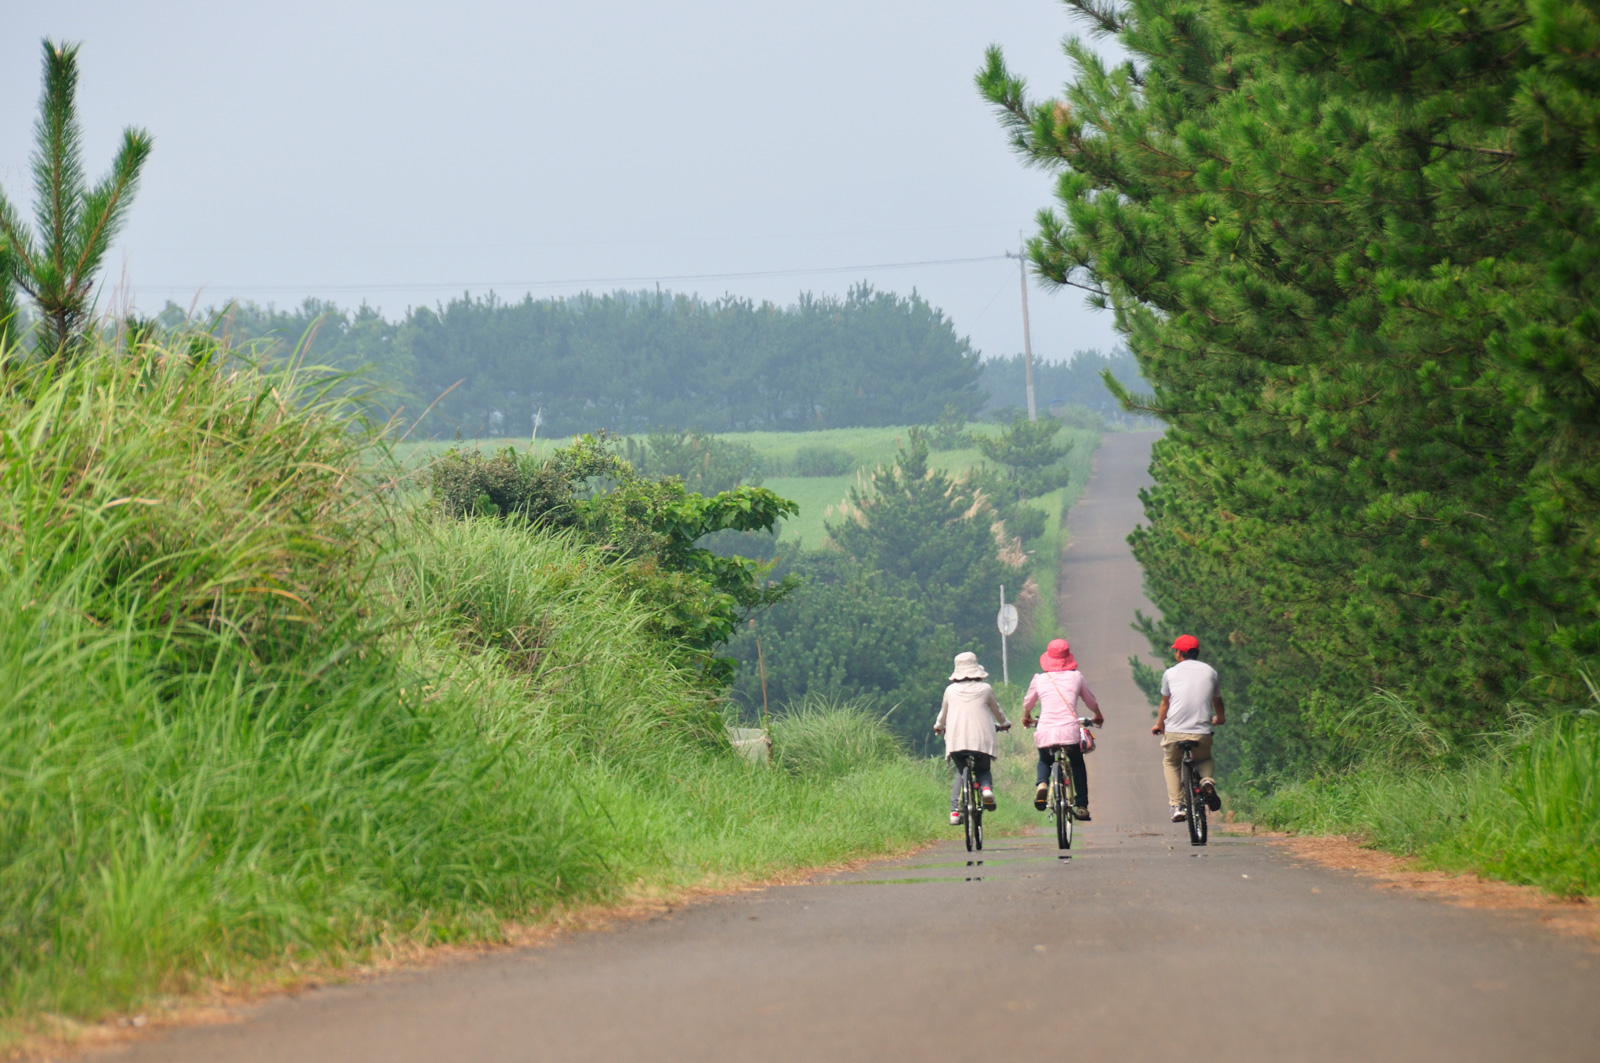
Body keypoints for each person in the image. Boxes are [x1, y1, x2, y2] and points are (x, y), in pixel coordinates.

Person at [1022, 638, 1103, 820]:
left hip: (1046, 731)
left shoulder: (1040, 679)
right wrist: (1097, 714)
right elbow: (1090, 701)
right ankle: (1081, 805)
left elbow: (1028, 702)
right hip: (1069, 732)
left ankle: (1042, 784)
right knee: (1077, 763)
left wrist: (1026, 716)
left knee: (1044, 759)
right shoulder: (1076, 677)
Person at [1151, 634, 1225, 823]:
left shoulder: (1170, 673)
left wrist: (1159, 724)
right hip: (1201, 731)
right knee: (1205, 757)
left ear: (1179, 653)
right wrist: (1220, 718)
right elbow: (1217, 700)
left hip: (1175, 731)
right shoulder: (1210, 672)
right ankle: (1207, 780)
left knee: (1171, 762)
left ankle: (1177, 805)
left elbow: (1165, 704)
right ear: (1197, 652)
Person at [932, 651, 1011, 825]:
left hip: (956, 741)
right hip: (981, 740)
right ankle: (986, 789)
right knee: (983, 769)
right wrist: (1004, 723)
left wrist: (938, 727)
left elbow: (942, 715)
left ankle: (954, 811)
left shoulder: (950, 690)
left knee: (961, 771)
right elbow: (997, 711)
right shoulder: (985, 689)